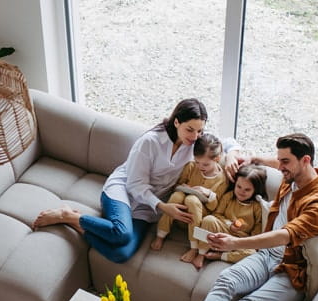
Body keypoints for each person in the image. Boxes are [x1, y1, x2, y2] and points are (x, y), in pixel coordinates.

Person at [154, 133, 318, 301]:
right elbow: (278, 163)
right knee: (226, 280)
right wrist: (256, 159)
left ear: (306, 161)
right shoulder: (295, 176)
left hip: (292, 272)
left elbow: (285, 235)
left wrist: (235, 243)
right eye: (279, 160)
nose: (280, 167)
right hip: (267, 256)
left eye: (285, 162)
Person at [32, 98, 210, 263]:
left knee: (121, 254)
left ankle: (76, 223)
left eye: (200, 131)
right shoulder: (150, 142)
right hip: (124, 190)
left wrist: (233, 154)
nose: (195, 136)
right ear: (176, 122)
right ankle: (68, 215)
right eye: (190, 130)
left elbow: (223, 145)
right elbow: (135, 184)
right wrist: (163, 207)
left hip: (146, 207)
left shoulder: (195, 144)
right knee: (122, 234)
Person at [150, 133, 228, 264]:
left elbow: (214, 208)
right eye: (197, 162)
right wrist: (184, 186)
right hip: (180, 214)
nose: (200, 167)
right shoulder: (191, 166)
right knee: (177, 195)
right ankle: (161, 235)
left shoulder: (222, 179)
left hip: (197, 220)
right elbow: (177, 185)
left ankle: (194, 247)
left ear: (217, 158)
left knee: (192, 200)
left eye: (205, 164)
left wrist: (208, 193)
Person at [193, 164, 268, 269]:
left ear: (255, 190)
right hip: (223, 231)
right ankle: (201, 253)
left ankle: (221, 256)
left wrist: (245, 240)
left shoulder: (256, 207)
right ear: (235, 183)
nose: (241, 191)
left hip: (239, 240)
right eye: (239, 187)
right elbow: (217, 214)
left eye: (247, 190)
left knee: (253, 253)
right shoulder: (229, 196)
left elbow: (257, 230)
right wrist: (229, 225)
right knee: (209, 220)